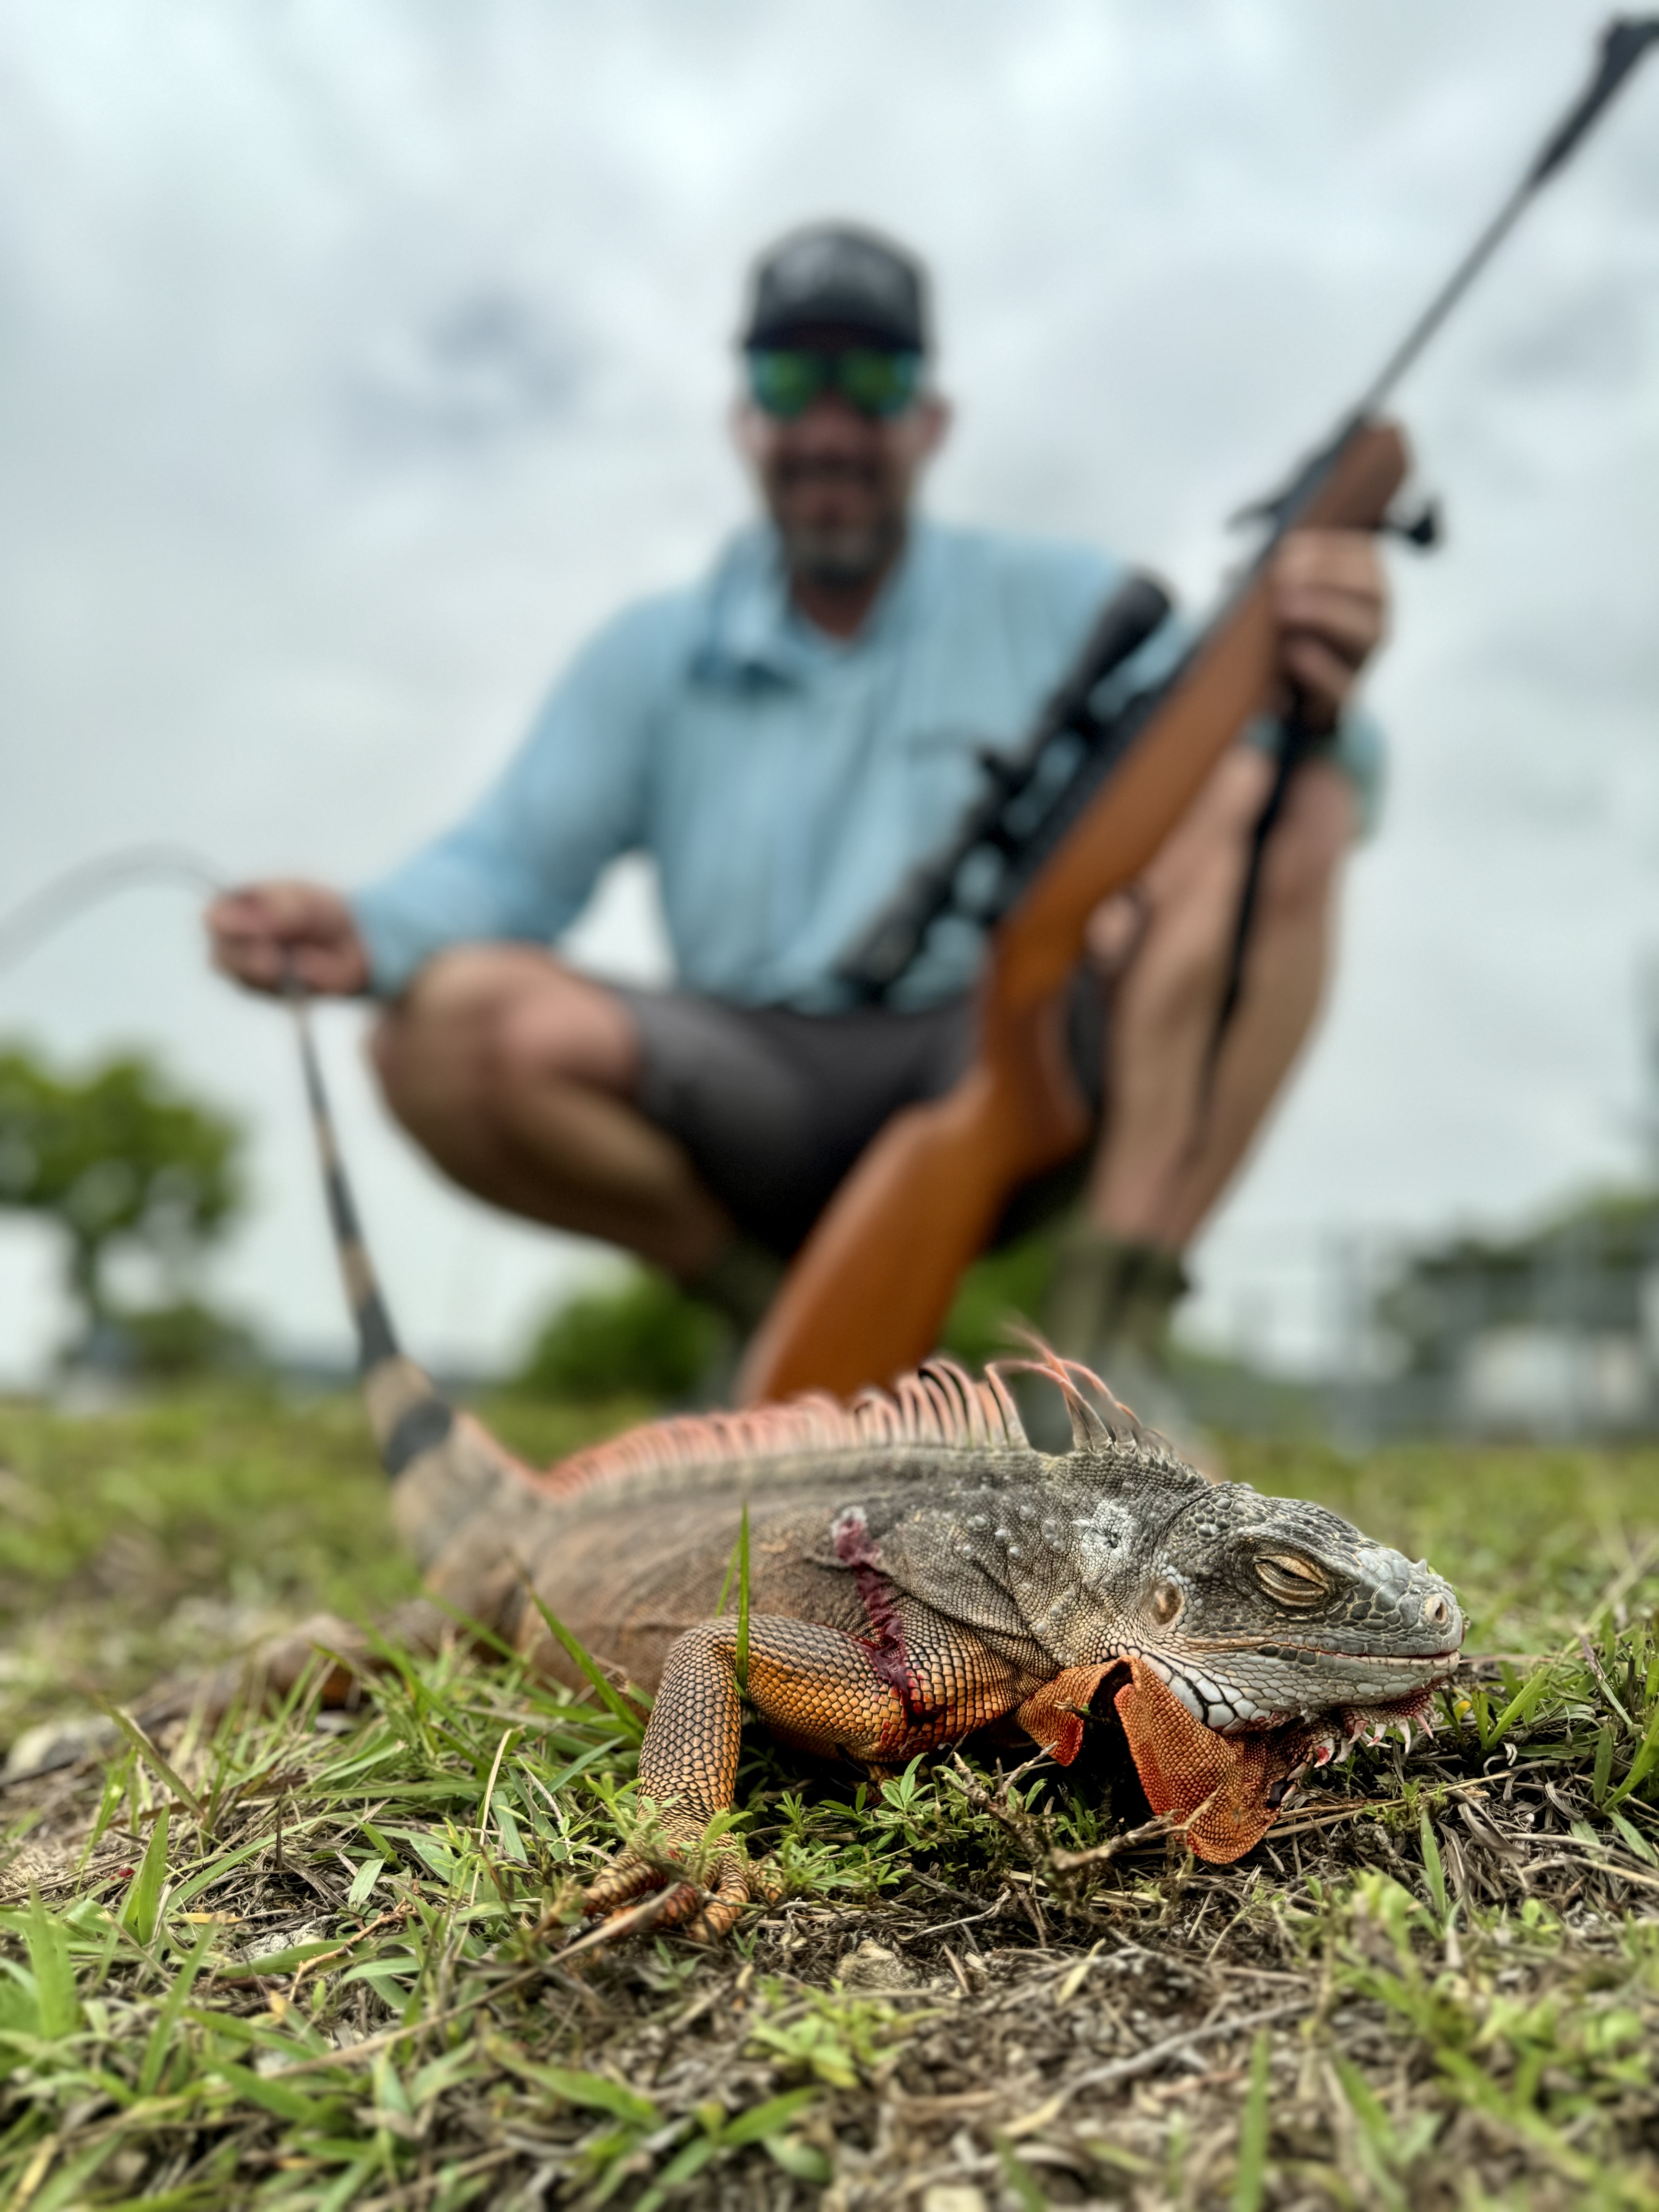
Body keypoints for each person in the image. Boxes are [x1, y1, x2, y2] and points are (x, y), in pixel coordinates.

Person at [210, 222, 1386, 1407]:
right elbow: (505, 868)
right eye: (791, 380)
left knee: (1286, 805)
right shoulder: (651, 652)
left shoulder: (1069, 602)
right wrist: (366, 928)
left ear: (930, 422)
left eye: (872, 382)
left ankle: (1099, 1350)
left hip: (1007, 1042)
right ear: (746, 419)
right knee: (441, 1024)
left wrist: (1307, 685)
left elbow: (1278, 771)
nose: (830, 423)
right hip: (748, 1091)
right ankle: (776, 1325)